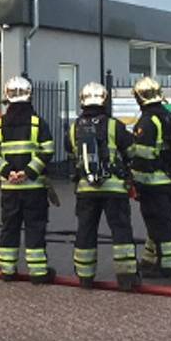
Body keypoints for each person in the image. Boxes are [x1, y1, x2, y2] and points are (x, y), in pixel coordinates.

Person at [66, 82, 140, 291]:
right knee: (121, 231)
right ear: (104, 100)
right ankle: (126, 277)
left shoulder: (74, 128)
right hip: (114, 189)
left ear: (82, 101)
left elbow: (71, 154)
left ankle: (85, 276)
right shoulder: (113, 125)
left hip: (85, 189)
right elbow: (131, 151)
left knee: (86, 230)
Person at [0, 76, 57, 284]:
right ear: (30, 95)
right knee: (34, 227)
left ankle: (7, 271)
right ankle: (38, 273)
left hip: (10, 188)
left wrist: (8, 172)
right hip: (34, 188)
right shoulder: (38, 123)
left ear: (7, 96)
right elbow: (48, 150)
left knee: (9, 227)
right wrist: (28, 172)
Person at [130, 77, 171, 278]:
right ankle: (150, 260)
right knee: (158, 222)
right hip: (168, 179)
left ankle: (167, 266)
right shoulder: (166, 115)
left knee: (159, 224)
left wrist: (132, 179)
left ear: (139, 97)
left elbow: (142, 155)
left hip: (152, 182)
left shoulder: (147, 120)